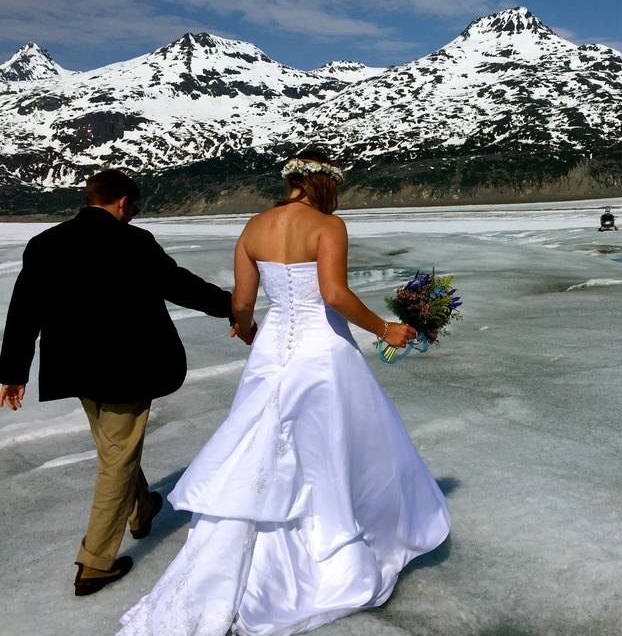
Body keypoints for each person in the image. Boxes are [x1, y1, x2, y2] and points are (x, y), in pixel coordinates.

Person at [118, 151, 451, 635]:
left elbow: (244, 302)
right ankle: (333, 539)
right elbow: (334, 294)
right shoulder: (327, 226)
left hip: (274, 348)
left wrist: (247, 328)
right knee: (330, 447)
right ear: (324, 184)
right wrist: (384, 328)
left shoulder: (254, 227)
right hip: (321, 351)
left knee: (265, 442)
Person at [0, 169, 248, 596]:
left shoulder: (45, 244)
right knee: (116, 460)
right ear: (121, 202)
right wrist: (233, 307)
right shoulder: (133, 242)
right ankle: (94, 563)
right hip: (126, 371)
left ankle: (143, 508)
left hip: (75, 370)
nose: (134, 213)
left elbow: (24, 310)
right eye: (134, 206)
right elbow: (180, 286)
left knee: (116, 447)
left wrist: (13, 372)